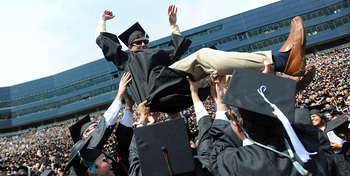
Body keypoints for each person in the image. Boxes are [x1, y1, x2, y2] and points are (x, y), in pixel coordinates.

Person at [187, 67, 349, 176]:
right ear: (280, 119)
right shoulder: (315, 148)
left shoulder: (231, 166)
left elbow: (211, 146)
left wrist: (220, 106)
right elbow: (304, 128)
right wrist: (266, 91)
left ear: (235, 126)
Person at [96, 5, 313, 113]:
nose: (143, 44)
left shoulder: (158, 55)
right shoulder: (126, 59)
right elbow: (102, 39)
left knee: (223, 76)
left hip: (174, 89)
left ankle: (281, 91)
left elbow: (175, 49)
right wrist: (102, 20)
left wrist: (173, 24)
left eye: (145, 41)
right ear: (129, 47)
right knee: (202, 56)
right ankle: (283, 60)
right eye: (138, 43)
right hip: (155, 91)